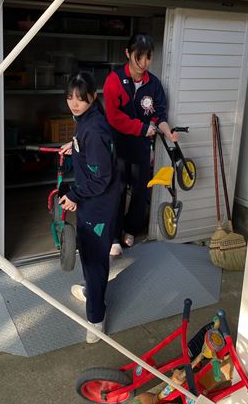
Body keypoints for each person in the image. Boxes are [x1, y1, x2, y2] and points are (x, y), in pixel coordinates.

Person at [103, 33, 178, 257]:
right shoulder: (114, 80)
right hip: (118, 145)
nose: (144, 63)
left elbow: (159, 115)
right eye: (139, 57)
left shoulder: (153, 84)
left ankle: (131, 229)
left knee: (140, 189)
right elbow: (114, 117)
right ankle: (113, 235)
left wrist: (168, 132)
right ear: (128, 53)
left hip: (142, 147)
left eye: (148, 57)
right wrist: (142, 128)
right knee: (116, 190)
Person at [58, 72, 120, 343]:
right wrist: (75, 146)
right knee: (89, 252)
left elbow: (102, 177)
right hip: (94, 200)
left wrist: (74, 195)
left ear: (93, 98)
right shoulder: (87, 121)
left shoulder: (93, 129)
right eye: (70, 97)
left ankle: (96, 318)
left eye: (80, 98)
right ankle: (90, 291)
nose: (74, 103)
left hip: (98, 204)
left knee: (94, 259)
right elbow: (93, 151)